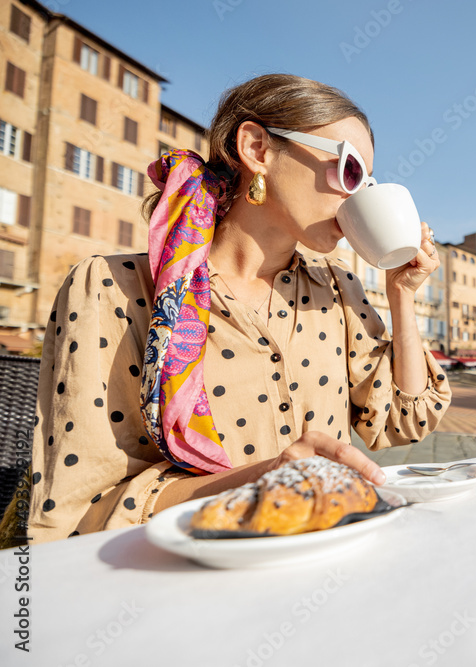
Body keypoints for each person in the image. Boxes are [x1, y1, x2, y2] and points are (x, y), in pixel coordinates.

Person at [17, 74, 452, 545]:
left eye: (367, 182)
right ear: (257, 148)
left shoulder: (339, 289)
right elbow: (78, 511)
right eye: (349, 171)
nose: (358, 196)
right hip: (196, 578)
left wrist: (401, 294)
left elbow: (402, 422)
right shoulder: (111, 290)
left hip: (332, 555)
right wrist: (263, 479)